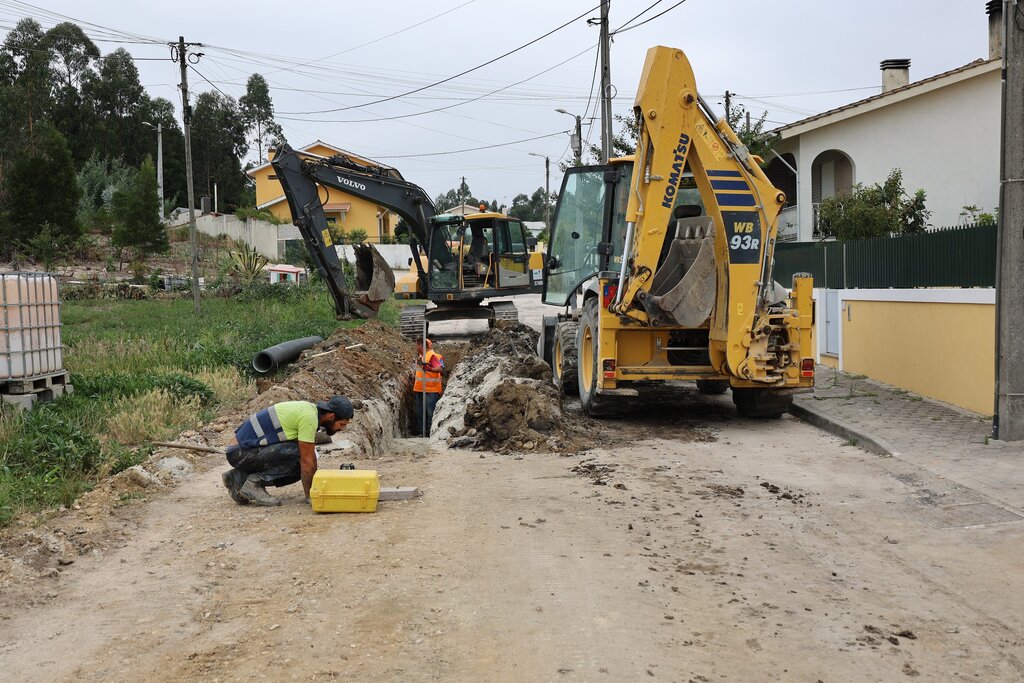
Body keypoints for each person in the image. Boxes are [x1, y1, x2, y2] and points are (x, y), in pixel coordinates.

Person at [221, 396, 353, 506]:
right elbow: (307, 460)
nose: (341, 429)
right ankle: (254, 483)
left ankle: (238, 478)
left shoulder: (308, 410)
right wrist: (312, 496)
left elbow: (311, 456)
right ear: (331, 416)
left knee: (304, 459)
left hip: (241, 451)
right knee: (298, 456)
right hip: (240, 453)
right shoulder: (309, 418)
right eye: (341, 424)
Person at [413, 338, 444, 436]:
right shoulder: (421, 357)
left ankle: (431, 433)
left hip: (431, 390)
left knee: (430, 413)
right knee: (420, 413)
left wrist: (430, 368)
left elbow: (440, 369)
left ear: (421, 345)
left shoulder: (432, 356)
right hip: (420, 389)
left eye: (417, 345)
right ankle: (422, 432)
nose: (416, 347)